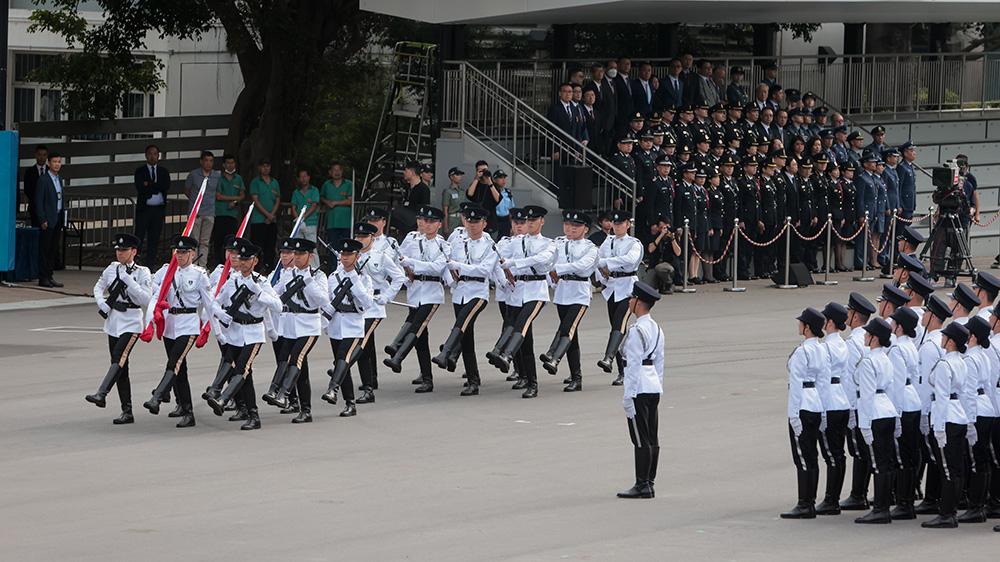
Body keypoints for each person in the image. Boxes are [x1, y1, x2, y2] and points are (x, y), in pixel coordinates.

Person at [207, 238, 282, 430]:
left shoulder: (262, 282)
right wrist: (220, 313)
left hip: (253, 333)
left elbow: (278, 306)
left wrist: (258, 293)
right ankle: (252, 414)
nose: (241, 262)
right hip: (234, 332)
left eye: (246, 259)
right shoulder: (233, 281)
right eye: (240, 258)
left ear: (254, 261)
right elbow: (215, 302)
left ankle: (224, 399)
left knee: (242, 368)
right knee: (243, 374)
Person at [140, 235, 212, 428]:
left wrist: (212, 328)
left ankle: (158, 396)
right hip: (170, 324)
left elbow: (209, 305)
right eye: (177, 252)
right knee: (180, 369)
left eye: (184, 252)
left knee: (174, 363)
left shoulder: (199, 275)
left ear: (192, 254)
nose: (180, 256)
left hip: (188, 324)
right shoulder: (166, 271)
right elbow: (154, 294)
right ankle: (184, 407)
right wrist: (149, 322)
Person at [85, 233, 153, 424]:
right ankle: (127, 411)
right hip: (113, 322)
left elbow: (147, 299)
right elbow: (98, 287)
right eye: (118, 249)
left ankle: (102, 392)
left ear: (134, 251)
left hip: (132, 322)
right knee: (121, 367)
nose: (120, 253)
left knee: (118, 358)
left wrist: (129, 281)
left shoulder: (142, 272)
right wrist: (101, 303)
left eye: (124, 250)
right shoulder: (111, 268)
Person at [384, 206, 450, 393]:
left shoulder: (444, 245)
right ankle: (426, 378)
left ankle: (398, 357)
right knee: (421, 338)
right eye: (424, 221)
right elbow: (401, 261)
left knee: (417, 326)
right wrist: (405, 274)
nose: (426, 225)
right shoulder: (413, 240)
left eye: (431, 222)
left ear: (439, 224)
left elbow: (437, 267)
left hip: (431, 293)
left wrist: (412, 263)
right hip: (415, 292)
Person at [434, 206, 499, 396]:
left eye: (476, 222)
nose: (472, 225)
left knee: (461, 321)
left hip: (477, 292)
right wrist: (451, 279)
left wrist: (459, 266)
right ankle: (473, 380)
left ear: (484, 224)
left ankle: (446, 351)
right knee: (466, 336)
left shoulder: (489, 245)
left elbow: (484, 270)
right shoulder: (458, 242)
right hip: (460, 291)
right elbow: (447, 265)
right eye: (469, 222)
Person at [261, 237, 327, 423]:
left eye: (300, 254)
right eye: (295, 254)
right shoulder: (286, 274)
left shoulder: (318, 276)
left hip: (308, 326)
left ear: (310, 256)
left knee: (295, 359)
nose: (296, 257)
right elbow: (275, 295)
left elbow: (323, 300)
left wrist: (308, 282)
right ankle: (303, 408)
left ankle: (283, 393)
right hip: (289, 326)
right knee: (294, 365)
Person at [491, 206, 555, 398]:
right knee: (526, 340)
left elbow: (542, 259)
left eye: (533, 221)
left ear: (542, 222)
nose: (529, 224)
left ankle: (506, 354)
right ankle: (530, 381)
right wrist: (501, 275)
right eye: (527, 221)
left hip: (536, 292)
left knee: (522, 323)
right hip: (517, 291)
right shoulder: (515, 242)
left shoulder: (548, 243)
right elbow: (496, 254)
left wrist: (515, 263)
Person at [616, 281, 664, 499]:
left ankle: (641, 484)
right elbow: (660, 362)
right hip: (653, 384)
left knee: (640, 437)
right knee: (652, 436)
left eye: (631, 299)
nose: (629, 302)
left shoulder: (636, 330)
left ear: (638, 303)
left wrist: (628, 396)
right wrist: (658, 385)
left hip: (640, 388)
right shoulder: (657, 328)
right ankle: (649, 483)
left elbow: (633, 366)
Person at [541, 210, 599, 391]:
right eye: (568, 224)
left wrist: (558, 269)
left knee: (568, 329)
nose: (570, 228)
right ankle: (576, 376)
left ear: (585, 229)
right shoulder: (557, 243)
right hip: (562, 292)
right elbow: (548, 264)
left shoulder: (590, 248)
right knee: (571, 336)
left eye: (576, 226)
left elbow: (582, 266)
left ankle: (554, 358)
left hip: (579, 293)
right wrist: (553, 279)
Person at [922, 322, 971, 528]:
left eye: (945, 337)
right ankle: (950, 511)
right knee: (956, 468)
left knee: (947, 469)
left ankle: (946, 514)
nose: (942, 339)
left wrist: (939, 427)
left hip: (947, 418)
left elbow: (941, 398)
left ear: (950, 341)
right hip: (958, 415)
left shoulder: (945, 364)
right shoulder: (961, 361)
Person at [780, 307, 827, 518]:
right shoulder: (821, 349)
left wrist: (793, 415)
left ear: (807, 327)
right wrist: (824, 411)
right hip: (816, 402)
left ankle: (804, 504)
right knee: (812, 456)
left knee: (802, 457)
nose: (798, 325)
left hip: (804, 405)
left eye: (801, 323)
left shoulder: (802, 351)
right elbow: (824, 382)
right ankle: (810, 502)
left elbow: (796, 385)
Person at [320, 238, 375, 417]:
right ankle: (349, 402)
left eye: (349, 254)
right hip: (336, 326)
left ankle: (332, 389)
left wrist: (355, 281)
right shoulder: (333, 277)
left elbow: (366, 303)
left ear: (357, 257)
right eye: (343, 254)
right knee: (340, 363)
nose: (344, 258)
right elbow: (326, 299)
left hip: (353, 326)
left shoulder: (364, 279)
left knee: (343, 359)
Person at [852, 317, 897, 524]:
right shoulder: (885, 358)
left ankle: (880, 509)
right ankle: (884, 506)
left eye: (868, 333)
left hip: (875, 413)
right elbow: (890, 389)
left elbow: (867, 395)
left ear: (874, 338)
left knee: (878, 463)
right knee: (886, 462)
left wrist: (864, 424)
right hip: (887, 410)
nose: (865, 335)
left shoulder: (869, 361)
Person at [353, 221, 404, 402]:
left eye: (363, 236)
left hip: (375, 306)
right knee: (366, 346)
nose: (359, 239)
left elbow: (399, 277)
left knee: (361, 341)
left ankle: (343, 370)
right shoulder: (350, 257)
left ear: (372, 239)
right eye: (357, 236)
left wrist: (387, 296)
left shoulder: (381, 257)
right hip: (357, 307)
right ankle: (370, 381)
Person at [914, 295, 953, 515]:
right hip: (936, 407)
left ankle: (931, 499)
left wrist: (924, 412)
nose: (923, 315)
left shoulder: (930, 346)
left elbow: (926, 383)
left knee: (933, 456)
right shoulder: (938, 340)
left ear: (932, 317)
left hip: (929, 408)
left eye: (927, 312)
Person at [596, 210, 643, 386]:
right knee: (616, 329)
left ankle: (608, 358)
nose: (616, 227)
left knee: (619, 326)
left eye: (620, 224)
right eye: (614, 224)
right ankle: (622, 371)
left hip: (628, 288)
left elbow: (631, 260)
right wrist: (602, 276)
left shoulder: (633, 243)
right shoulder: (608, 242)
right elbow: (598, 260)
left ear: (627, 225)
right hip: (612, 288)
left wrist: (607, 262)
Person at [840, 292, 877, 511]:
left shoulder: (853, 342)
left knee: (859, 450)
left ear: (854, 317)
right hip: (867, 402)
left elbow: (852, 377)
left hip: (856, 403)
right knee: (863, 449)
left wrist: (851, 407)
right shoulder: (868, 337)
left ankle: (858, 494)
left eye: (849, 310)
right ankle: (860, 493)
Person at [814, 302, 852, 515]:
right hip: (842, 401)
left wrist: (821, 409)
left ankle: (831, 499)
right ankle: (833, 498)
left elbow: (822, 378)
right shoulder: (843, 345)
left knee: (831, 453)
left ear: (829, 322)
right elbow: (846, 377)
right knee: (838, 453)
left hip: (829, 401)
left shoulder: (825, 347)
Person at [886, 306, 923, 520]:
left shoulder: (897, 348)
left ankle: (904, 503)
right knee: (909, 455)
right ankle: (906, 500)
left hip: (903, 404)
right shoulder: (910, 346)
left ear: (899, 327)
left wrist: (896, 415)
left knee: (901, 457)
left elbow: (897, 384)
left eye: (893, 323)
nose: (891, 326)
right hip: (913, 402)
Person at [958, 316, 995, 523]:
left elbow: (969, 393)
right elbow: (988, 388)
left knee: (975, 461)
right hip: (986, 409)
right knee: (983, 460)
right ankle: (979, 506)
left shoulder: (971, 359)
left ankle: (975, 507)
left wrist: (970, 422)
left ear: (972, 336)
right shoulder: (983, 356)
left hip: (977, 412)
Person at [133, 145, 171, 268]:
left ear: (158, 156)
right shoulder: (140, 171)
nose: (152, 156)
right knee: (139, 236)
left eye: (155, 154)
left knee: (154, 238)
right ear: (146, 155)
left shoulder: (163, 171)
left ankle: (150, 264)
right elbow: (141, 188)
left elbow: (165, 186)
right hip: (144, 209)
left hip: (158, 210)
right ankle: (134, 262)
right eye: (150, 153)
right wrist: (154, 187)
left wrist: (150, 184)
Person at [183, 150, 219, 267]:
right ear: (201, 162)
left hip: (209, 212)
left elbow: (217, 192)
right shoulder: (193, 174)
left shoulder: (216, 176)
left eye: (211, 161)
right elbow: (187, 191)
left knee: (205, 242)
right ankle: (193, 265)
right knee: (194, 241)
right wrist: (195, 202)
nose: (208, 163)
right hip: (196, 213)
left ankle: (202, 266)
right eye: (206, 161)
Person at [35, 151, 66, 288]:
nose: (57, 164)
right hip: (47, 219)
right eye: (54, 162)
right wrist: (42, 219)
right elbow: (38, 202)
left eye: (59, 162)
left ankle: (49, 275)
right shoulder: (43, 180)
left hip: (57, 216)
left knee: (53, 249)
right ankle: (43, 277)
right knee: (45, 249)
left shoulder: (59, 179)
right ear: (49, 164)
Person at [249, 158, 281, 272]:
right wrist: (267, 214)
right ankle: (256, 270)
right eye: (263, 166)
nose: (265, 168)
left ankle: (269, 271)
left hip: (272, 221)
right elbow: (255, 201)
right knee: (257, 248)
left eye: (267, 166)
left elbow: (277, 200)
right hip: (258, 220)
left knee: (270, 248)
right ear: (259, 167)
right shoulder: (255, 182)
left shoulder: (274, 182)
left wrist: (272, 215)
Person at [213, 154, 245, 267]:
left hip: (232, 215)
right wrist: (235, 198)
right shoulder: (219, 178)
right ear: (224, 164)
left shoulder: (238, 178)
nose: (230, 165)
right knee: (218, 240)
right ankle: (218, 264)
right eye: (228, 163)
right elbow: (219, 196)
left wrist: (235, 202)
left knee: (231, 240)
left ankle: (229, 264)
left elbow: (242, 195)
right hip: (220, 213)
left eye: (232, 163)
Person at [291, 170, 321, 268]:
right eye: (301, 177)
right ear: (299, 179)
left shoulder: (314, 190)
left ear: (309, 177)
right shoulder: (296, 192)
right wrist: (298, 220)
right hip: (299, 224)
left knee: (312, 247)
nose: (303, 179)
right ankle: (298, 267)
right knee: (298, 247)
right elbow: (293, 207)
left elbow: (313, 206)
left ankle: (315, 269)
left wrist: (303, 218)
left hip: (310, 222)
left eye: (305, 176)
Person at [320, 163, 354, 248]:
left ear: (342, 171)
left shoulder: (349, 184)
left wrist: (335, 203)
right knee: (333, 248)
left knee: (346, 248)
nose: (337, 172)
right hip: (332, 223)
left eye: (339, 170)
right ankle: (333, 262)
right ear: (330, 172)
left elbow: (350, 201)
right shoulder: (326, 185)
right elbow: (321, 197)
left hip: (346, 223)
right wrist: (326, 202)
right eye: (334, 170)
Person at [22, 144, 47, 228]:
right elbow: (27, 190)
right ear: (35, 155)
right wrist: (37, 200)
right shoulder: (29, 172)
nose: (41, 158)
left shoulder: (51, 172)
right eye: (39, 155)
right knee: (36, 231)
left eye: (44, 155)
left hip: (48, 208)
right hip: (34, 207)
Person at [441, 167, 464, 236]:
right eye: (457, 175)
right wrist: (445, 226)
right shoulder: (448, 191)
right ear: (451, 177)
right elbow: (445, 209)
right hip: (452, 220)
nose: (460, 177)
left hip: (461, 219)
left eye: (460, 175)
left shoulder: (462, 191)